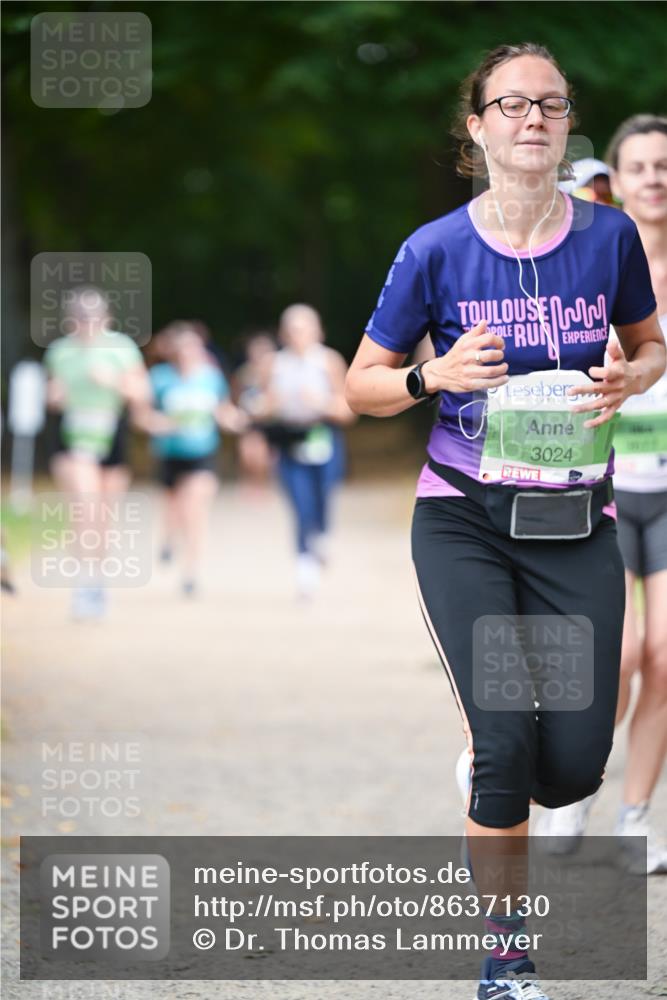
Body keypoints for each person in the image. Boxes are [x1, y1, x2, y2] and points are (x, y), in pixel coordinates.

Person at [345, 43, 665, 1000]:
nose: (533, 118)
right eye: (512, 104)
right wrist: (426, 376)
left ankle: (522, 769)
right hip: (465, 521)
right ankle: (506, 958)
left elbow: (650, 346)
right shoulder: (433, 248)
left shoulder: (609, 240)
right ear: (476, 126)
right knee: (503, 747)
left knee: (568, 769)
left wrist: (630, 375)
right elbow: (358, 387)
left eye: (552, 105)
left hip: (574, 520)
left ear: (567, 126)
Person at [536, 116, 667, 873]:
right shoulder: (594, 264)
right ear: (615, 179)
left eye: (665, 165)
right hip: (604, 486)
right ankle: (576, 790)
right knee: (612, 657)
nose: (654, 177)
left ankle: (635, 815)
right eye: (640, 166)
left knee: (664, 653)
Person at [44, 285, 150, 620]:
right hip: (74, 439)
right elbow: (51, 394)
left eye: (92, 316)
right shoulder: (59, 352)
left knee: (103, 518)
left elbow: (141, 395)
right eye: (79, 317)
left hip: (110, 435)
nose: (86, 322)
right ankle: (83, 582)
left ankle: (96, 579)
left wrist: (113, 382)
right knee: (84, 507)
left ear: (106, 317)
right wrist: (54, 395)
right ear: (69, 320)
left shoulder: (121, 348)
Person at [138, 322, 247, 596]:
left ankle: (191, 571)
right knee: (173, 507)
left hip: (203, 453)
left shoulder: (211, 377)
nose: (188, 353)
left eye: (193, 348)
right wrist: (159, 423)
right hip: (170, 454)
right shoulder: (160, 378)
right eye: (182, 348)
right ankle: (168, 538)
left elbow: (221, 409)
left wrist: (234, 420)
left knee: (194, 510)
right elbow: (143, 415)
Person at [259, 304, 354, 599]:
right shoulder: (274, 364)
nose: (298, 335)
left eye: (304, 328)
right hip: (289, 440)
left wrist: (321, 403)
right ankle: (305, 570)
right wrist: (269, 406)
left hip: (323, 436)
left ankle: (322, 537)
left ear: (317, 331)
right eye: (292, 329)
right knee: (300, 504)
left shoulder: (329, 361)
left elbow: (348, 409)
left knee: (324, 494)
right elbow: (260, 406)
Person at [232, 331, 278, 498]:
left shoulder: (279, 371)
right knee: (248, 453)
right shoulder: (243, 373)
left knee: (266, 457)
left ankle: (264, 485)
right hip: (250, 421)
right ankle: (248, 483)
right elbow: (235, 396)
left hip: (273, 421)